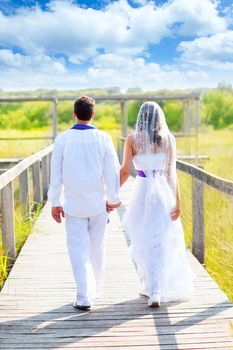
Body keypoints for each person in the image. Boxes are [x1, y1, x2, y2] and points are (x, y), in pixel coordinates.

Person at [48, 96, 121, 310]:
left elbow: (56, 174)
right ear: (93, 114)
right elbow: (111, 171)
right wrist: (113, 198)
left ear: (74, 113)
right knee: (97, 249)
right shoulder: (104, 138)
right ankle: (95, 290)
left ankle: (84, 296)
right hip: (98, 205)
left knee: (77, 250)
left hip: (73, 205)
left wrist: (55, 202)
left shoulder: (62, 140)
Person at [120, 101, 194, 307]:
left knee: (142, 237)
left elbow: (125, 171)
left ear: (140, 118)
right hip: (162, 190)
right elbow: (172, 173)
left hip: (142, 190)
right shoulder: (168, 139)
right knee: (162, 238)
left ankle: (153, 288)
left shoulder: (133, 140)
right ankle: (156, 288)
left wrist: (111, 192)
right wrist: (177, 201)